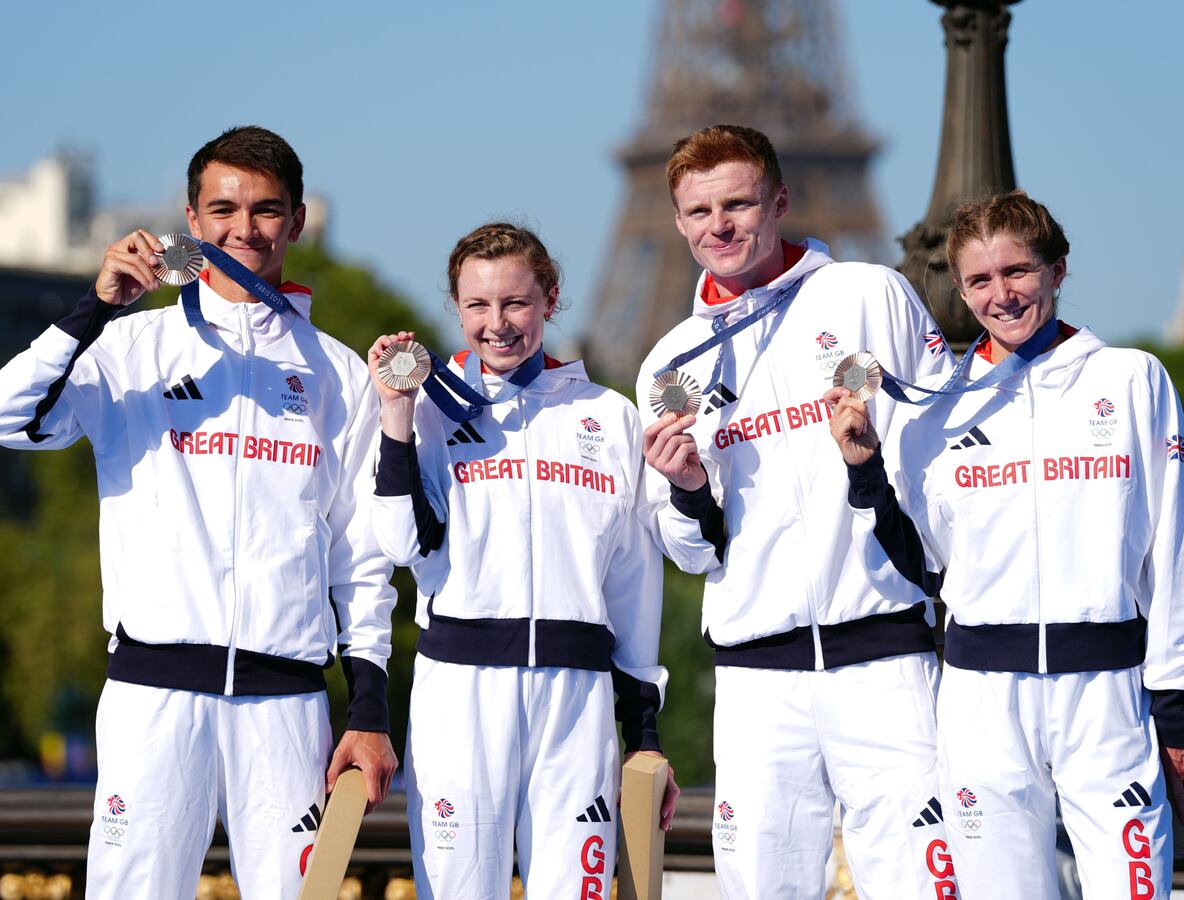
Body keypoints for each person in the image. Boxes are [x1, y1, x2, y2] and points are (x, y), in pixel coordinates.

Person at [0, 126, 398, 899]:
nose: (243, 230)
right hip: (153, 696)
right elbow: (8, 417)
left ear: (297, 221)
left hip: (286, 705)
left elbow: (363, 558)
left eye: (266, 210)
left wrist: (370, 709)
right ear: (190, 217)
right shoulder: (131, 345)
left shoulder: (338, 372)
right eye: (223, 209)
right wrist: (95, 306)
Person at [826, 189, 1184, 897]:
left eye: (1019, 271)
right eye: (980, 280)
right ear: (962, 291)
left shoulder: (1130, 380)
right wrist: (865, 469)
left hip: (1106, 694)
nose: (1003, 294)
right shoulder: (932, 409)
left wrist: (1179, 705)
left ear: (1058, 271)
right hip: (982, 704)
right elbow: (921, 563)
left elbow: (1182, 550)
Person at [637, 124, 957, 899]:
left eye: (739, 203)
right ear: (679, 223)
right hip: (757, 675)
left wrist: (875, 471)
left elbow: (950, 455)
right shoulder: (669, 363)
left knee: (925, 882)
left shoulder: (868, 293)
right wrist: (683, 490)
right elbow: (689, 552)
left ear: (779, 201)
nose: (720, 225)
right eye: (700, 211)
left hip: (883, 652)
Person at [369, 222, 678, 900]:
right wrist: (396, 416)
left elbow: (633, 589)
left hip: (577, 698)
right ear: (456, 308)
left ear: (550, 300)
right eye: (478, 305)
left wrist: (644, 733)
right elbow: (397, 543)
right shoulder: (427, 412)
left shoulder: (610, 417)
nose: (497, 323)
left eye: (515, 303)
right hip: (461, 691)